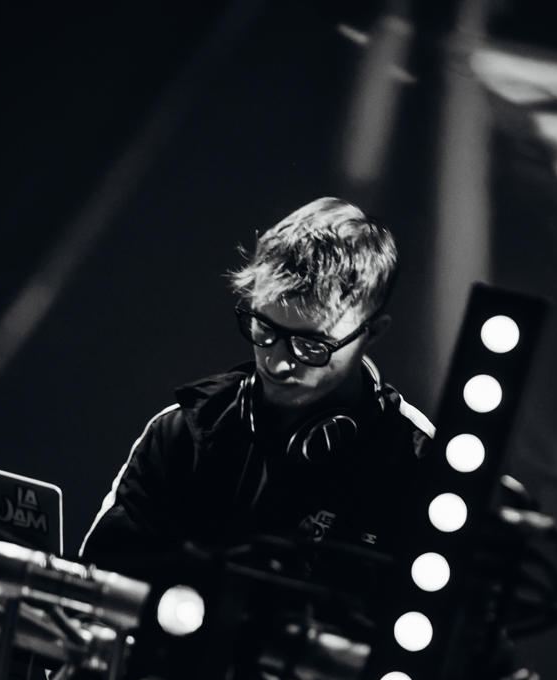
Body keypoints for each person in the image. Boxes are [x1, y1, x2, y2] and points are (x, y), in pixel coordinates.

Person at [78, 198, 434, 572]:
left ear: (372, 333)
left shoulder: (419, 463)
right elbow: (96, 588)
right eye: (265, 328)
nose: (277, 364)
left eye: (311, 345)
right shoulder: (181, 435)